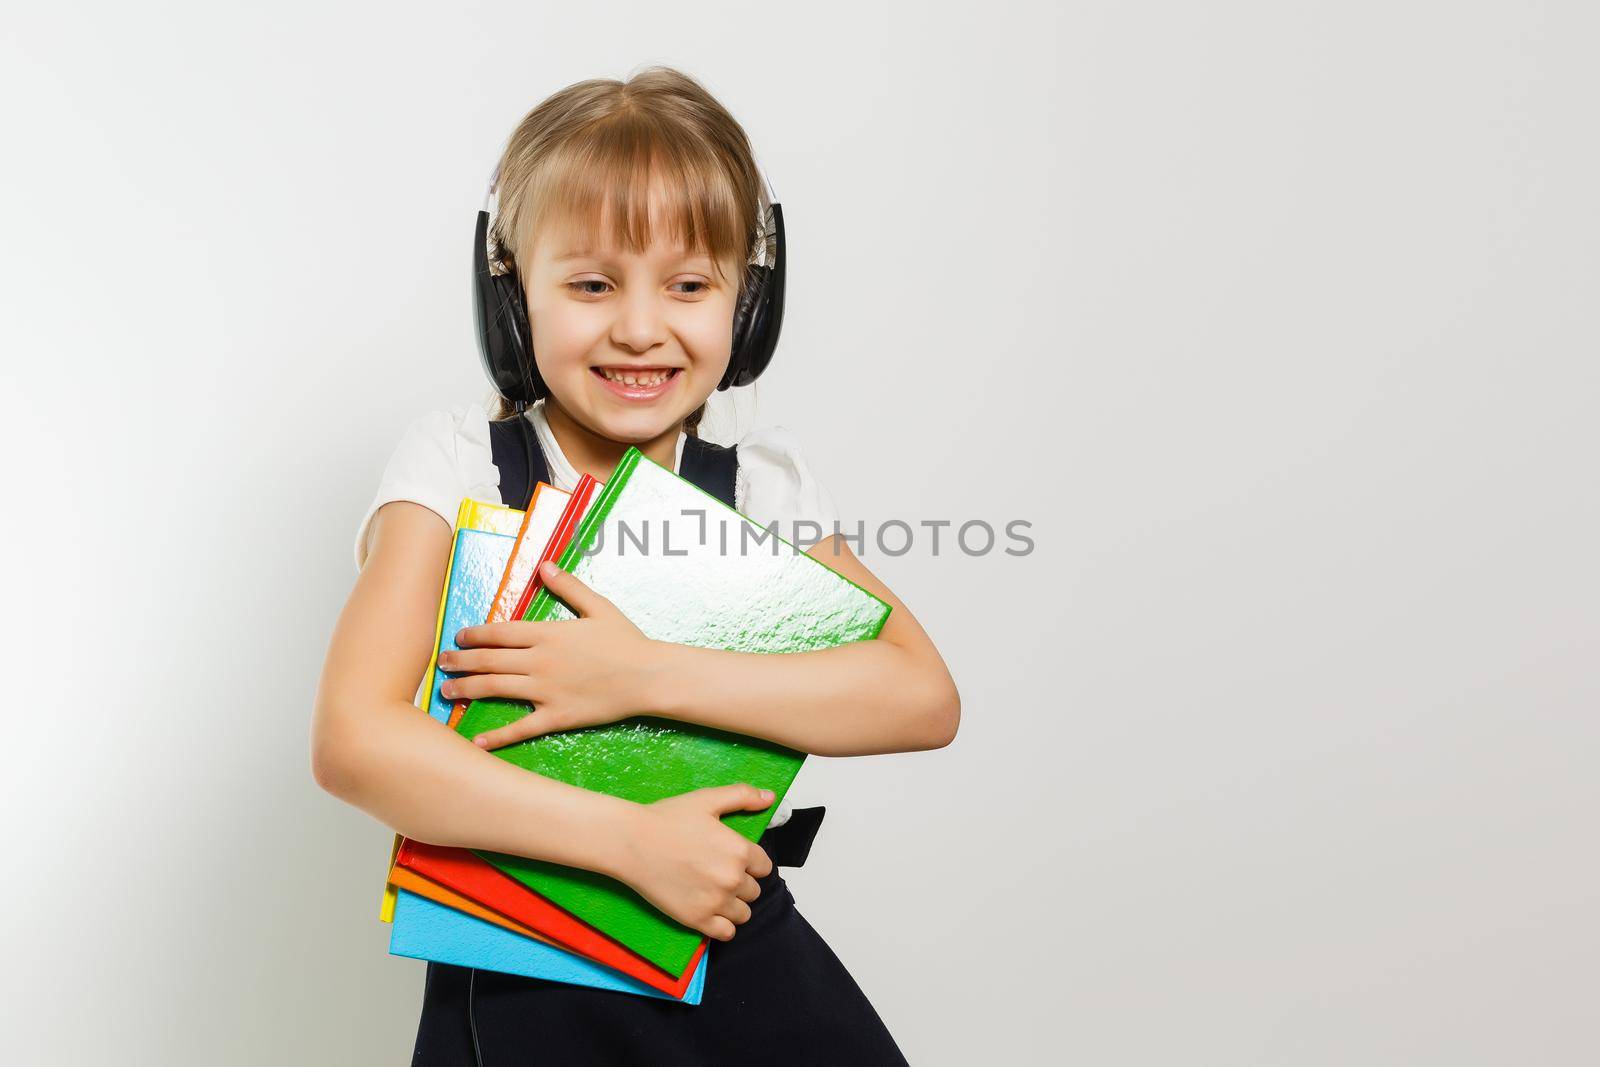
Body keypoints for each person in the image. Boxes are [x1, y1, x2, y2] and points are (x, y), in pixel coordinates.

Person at [312, 66, 960, 1066]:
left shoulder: (758, 487)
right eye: (591, 283)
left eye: (689, 284)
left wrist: (639, 671)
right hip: (525, 970)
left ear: (750, 306)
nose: (640, 326)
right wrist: (629, 841)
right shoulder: (458, 466)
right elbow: (354, 738)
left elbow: (917, 695)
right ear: (511, 294)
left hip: (728, 945)